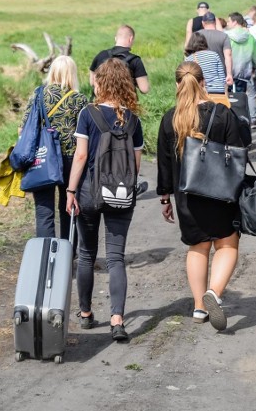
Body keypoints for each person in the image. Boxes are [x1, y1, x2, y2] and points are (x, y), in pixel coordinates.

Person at [156, 61, 245, 331]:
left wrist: (164, 198)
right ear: (204, 82)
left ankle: (199, 307)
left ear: (177, 85)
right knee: (227, 246)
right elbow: (240, 152)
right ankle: (214, 292)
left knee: (198, 248)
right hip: (221, 194)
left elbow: (163, 164)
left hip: (187, 197)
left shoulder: (170, 118)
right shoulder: (222, 114)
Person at [66, 58, 144, 342]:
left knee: (86, 254)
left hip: (89, 192)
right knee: (116, 257)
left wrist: (71, 191)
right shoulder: (133, 119)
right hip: (121, 193)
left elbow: (82, 156)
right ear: (125, 83)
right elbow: (135, 165)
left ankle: (86, 314)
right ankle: (117, 319)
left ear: (100, 82)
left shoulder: (88, 113)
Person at [19, 56, 89, 246]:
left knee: (44, 211)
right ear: (72, 74)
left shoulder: (38, 94)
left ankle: (45, 258)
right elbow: (86, 134)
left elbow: (22, 129)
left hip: (42, 159)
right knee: (69, 206)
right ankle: (67, 257)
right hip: (70, 160)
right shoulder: (79, 99)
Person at [90, 25, 150, 95]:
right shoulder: (135, 60)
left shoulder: (101, 55)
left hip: (101, 102)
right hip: (125, 103)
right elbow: (144, 89)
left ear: (115, 38)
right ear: (131, 39)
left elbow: (92, 82)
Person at [224, 12, 256, 128]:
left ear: (234, 22)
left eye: (229, 21)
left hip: (229, 73)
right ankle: (249, 120)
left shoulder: (226, 37)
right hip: (244, 73)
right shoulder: (250, 37)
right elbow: (255, 56)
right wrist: (255, 67)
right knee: (246, 96)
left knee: (229, 98)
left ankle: (231, 122)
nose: (227, 23)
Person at [184, 31, 228, 107]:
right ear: (204, 42)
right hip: (218, 91)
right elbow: (222, 78)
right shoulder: (214, 55)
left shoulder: (188, 59)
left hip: (200, 94)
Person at [197, 11, 234, 88]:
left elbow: (190, 53)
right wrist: (229, 74)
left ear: (203, 23)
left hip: (201, 75)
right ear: (215, 22)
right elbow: (228, 56)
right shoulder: (224, 36)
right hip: (220, 75)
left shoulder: (196, 35)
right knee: (220, 98)